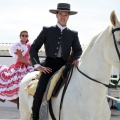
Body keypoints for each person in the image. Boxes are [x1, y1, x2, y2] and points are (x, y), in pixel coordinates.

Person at [30, 3, 83, 120]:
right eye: (60, 14)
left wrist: (77, 59)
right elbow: (33, 48)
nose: (63, 17)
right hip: (48, 67)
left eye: (66, 14)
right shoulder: (47, 30)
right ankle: (35, 117)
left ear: (69, 16)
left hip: (65, 67)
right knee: (39, 92)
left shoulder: (73, 34)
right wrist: (38, 65)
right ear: (56, 15)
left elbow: (78, 50)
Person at [0, 30, 35, 101]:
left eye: (26, 36)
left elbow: (30, 57)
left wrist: (34, 64)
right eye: (23, 35)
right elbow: (21, 58)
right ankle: (17, 97)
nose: (24, 37)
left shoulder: (29, 45)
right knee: (16, 80)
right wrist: (30, 64)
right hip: (20, 65)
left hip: (27, 64)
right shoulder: (18, 45)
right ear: (20, 36)